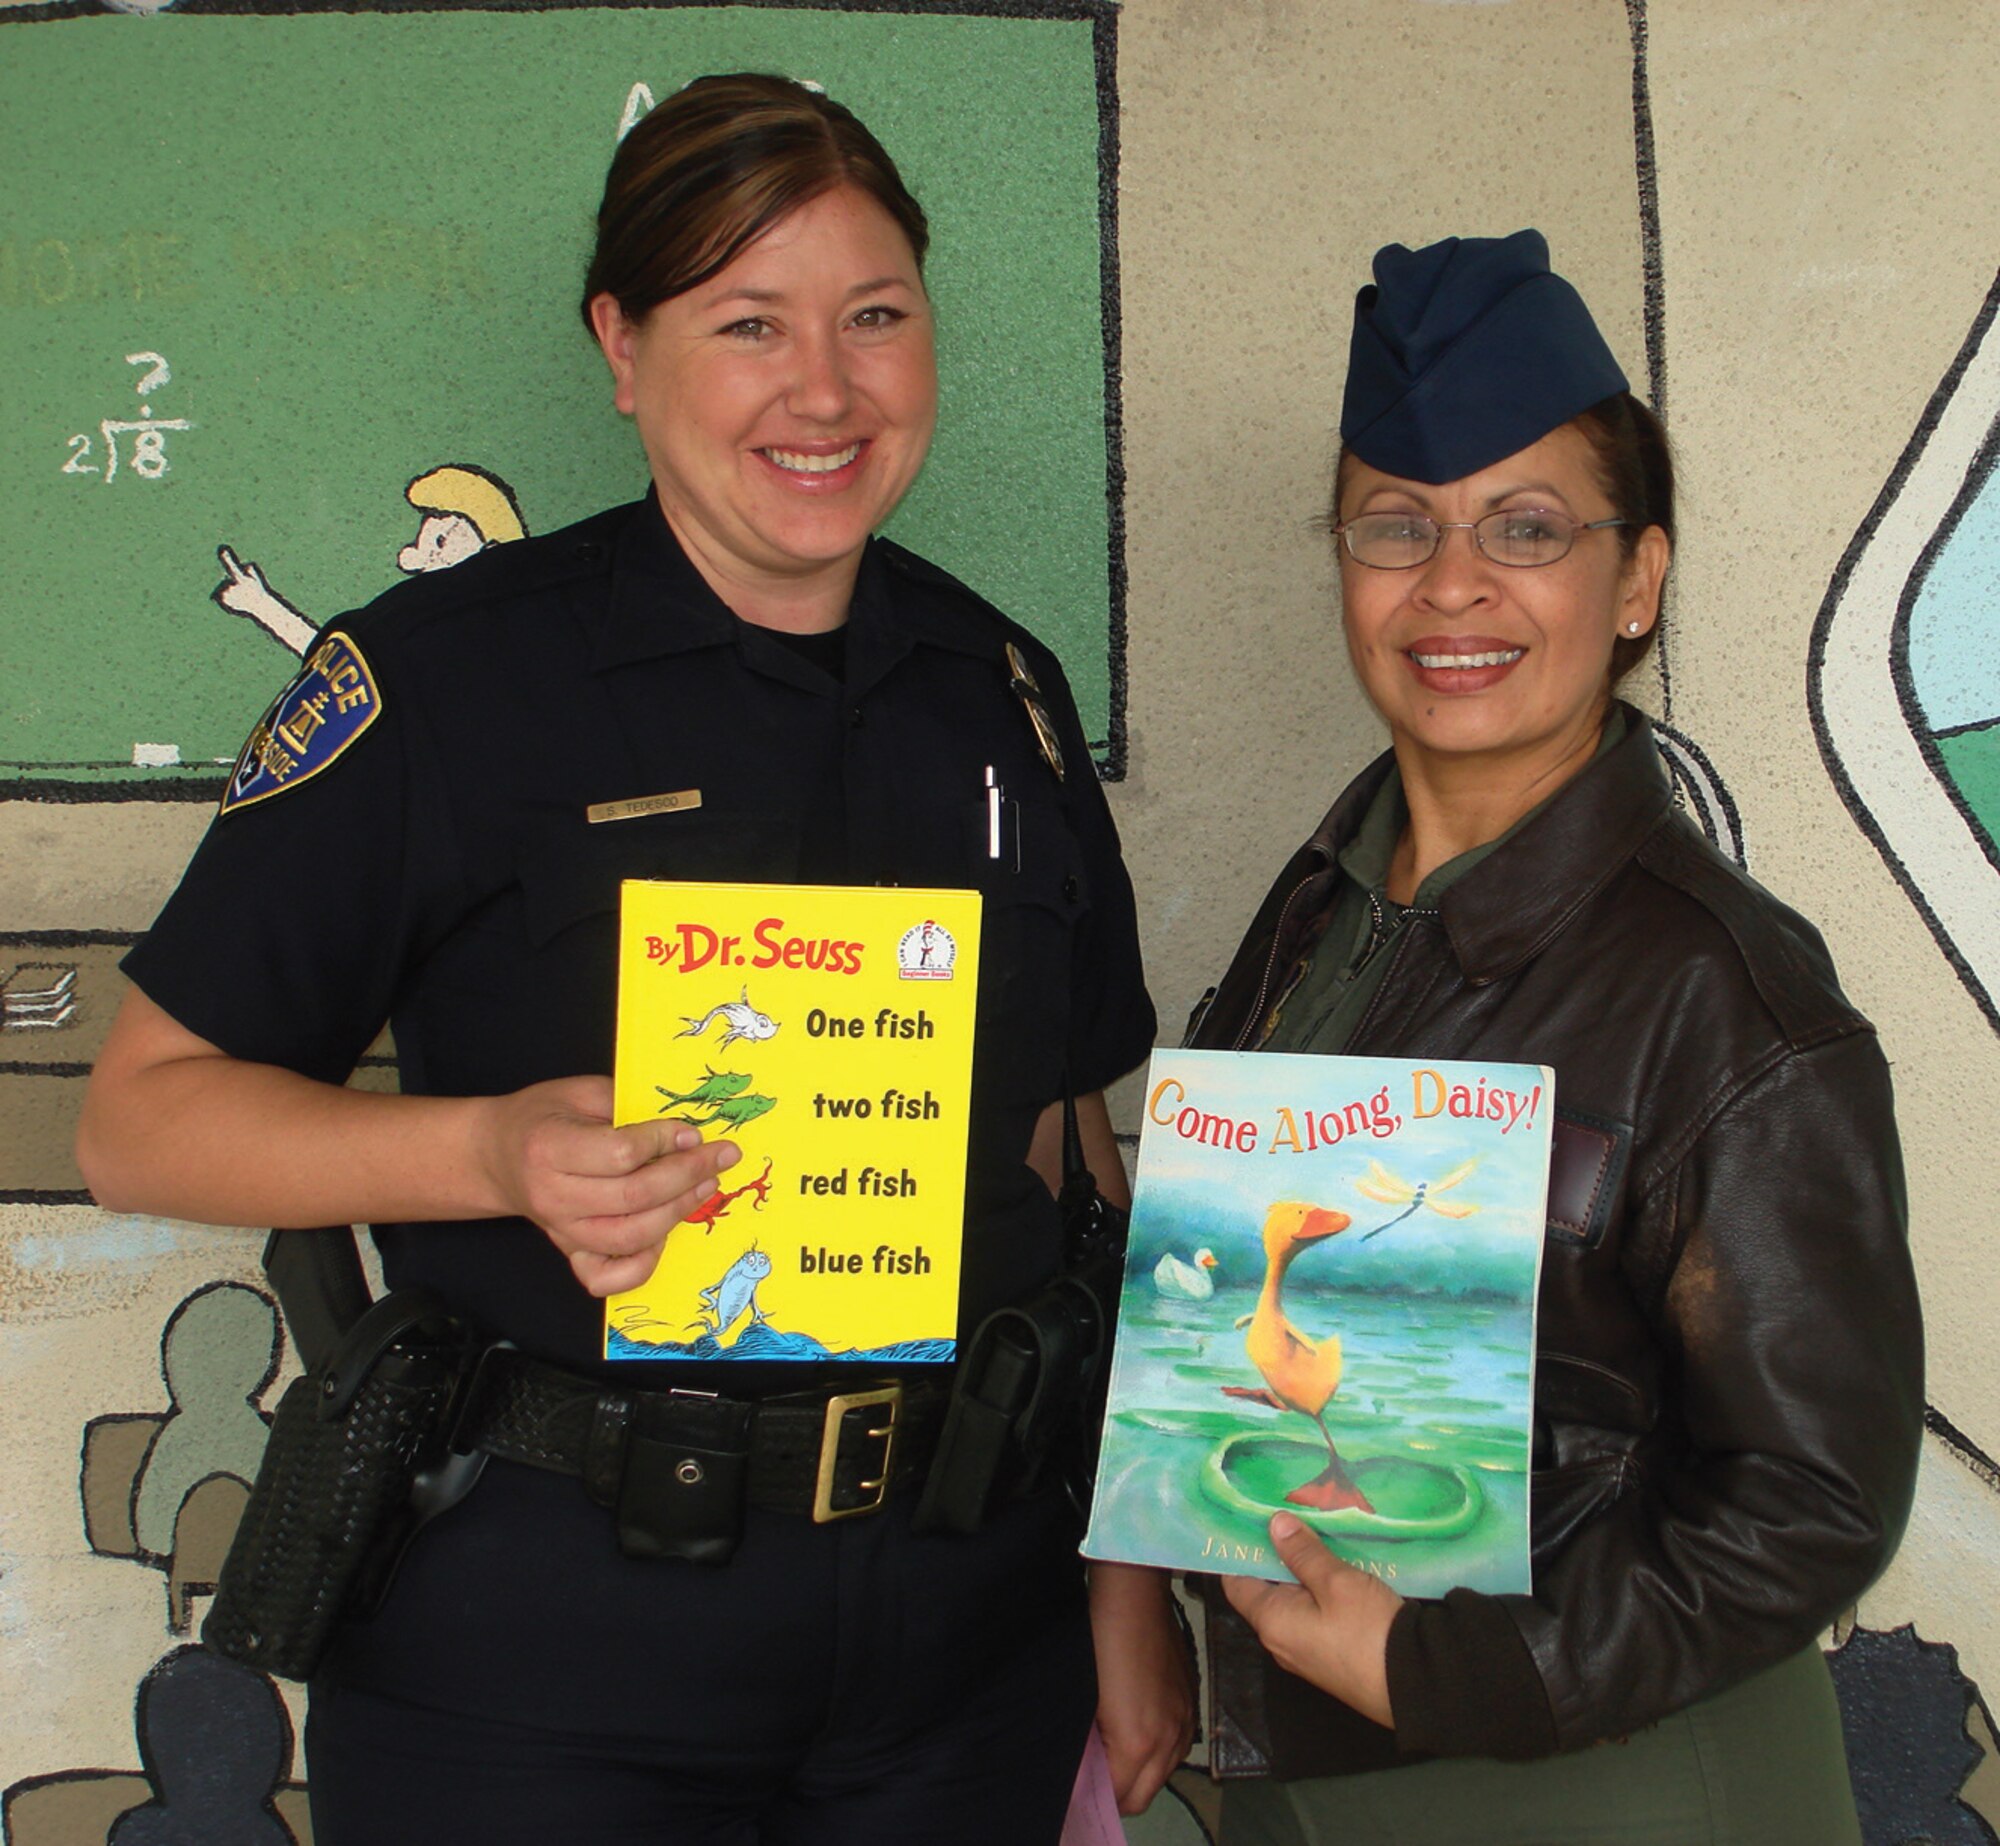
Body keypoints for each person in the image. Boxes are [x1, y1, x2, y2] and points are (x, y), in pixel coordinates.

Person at [77, 73, 1191, 1845]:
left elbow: (1078, 1160)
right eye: (748, 324)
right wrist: (486, 1151)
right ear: (621, 344)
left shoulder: (1002, 695)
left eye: (875, 318)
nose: (823, 390)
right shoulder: (441, 683)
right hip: (544, 1672)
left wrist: (1129, 1581)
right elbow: (138, 1121)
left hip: (961, 1660)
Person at [1182, 231, 1922, 1843]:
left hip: (1609, 1780)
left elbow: (1815, 1499)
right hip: (1322, 1765)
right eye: (1398, 526)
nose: (1451, 586)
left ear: (1638, 577)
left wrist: (1469, 1668)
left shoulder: (1725, 993)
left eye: (1527, 528)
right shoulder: (1320, 906)